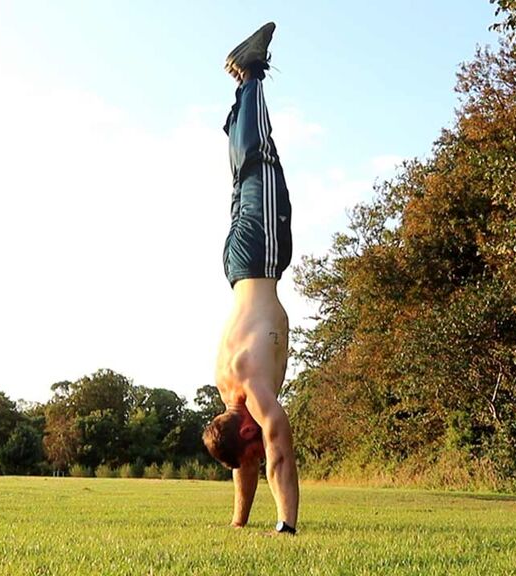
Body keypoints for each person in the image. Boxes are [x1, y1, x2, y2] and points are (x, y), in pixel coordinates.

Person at [203, 22, 299, 535]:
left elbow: (278, 450)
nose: (258, 450)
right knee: (244, 177)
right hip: (237, 269)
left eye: (252, 442)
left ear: (246, 428)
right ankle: (242, 89)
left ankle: (251, 73)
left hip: (259, 262)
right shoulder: (227, 390)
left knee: (257, 163)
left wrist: (285, 523)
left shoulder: (253, 390)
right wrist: (240, 522)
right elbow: (247, 462)